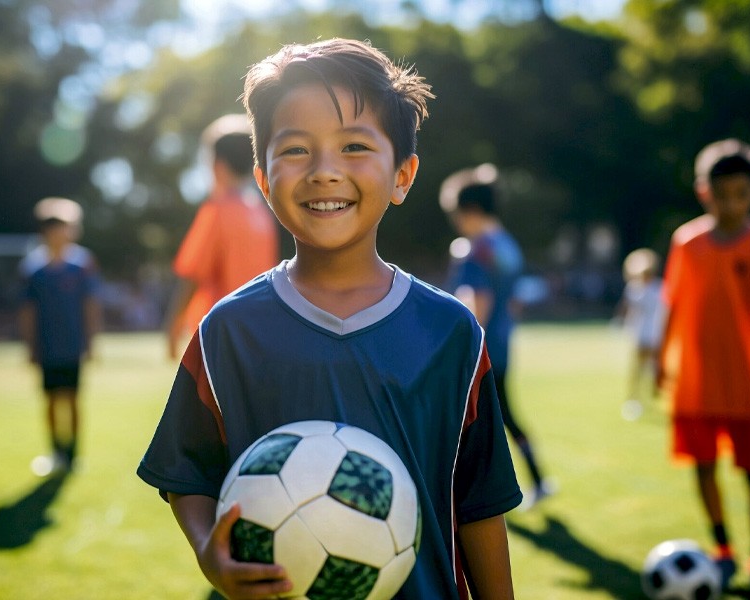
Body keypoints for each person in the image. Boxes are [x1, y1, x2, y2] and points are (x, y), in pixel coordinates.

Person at [138, 38, 521, 600]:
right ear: (264, 178)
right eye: (295, 150)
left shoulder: (451, 333)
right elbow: (188, 473)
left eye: (354, 146)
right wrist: (207, 550)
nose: (324, 171)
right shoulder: (227, 331)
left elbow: (481, 503)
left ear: (403, 176)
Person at [656, 139, 750, 600]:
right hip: (697, 383)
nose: (730, 203)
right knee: (703, 469)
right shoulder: (687, 242)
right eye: (721, 194)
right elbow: (674, 306)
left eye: (740, 193)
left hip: (749, 382)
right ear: (705, 193)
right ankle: (723, 552)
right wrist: (664, 361)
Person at [440, 163, 552, 509]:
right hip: (502, 346)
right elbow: (515, 302)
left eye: (456, 216)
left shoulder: (475, 248)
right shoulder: (508, 247)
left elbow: (477, 306)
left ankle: (467, 498)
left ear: (470, 211)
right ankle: (538, 480)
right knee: (504, 416)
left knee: (466, 425)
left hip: (478, 353)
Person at [164, 114, 280, 359]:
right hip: (258, 333)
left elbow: (191, 276)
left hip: (219, 335)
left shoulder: (217, 210)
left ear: (216, 164)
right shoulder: (262, 212)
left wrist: (172, 330)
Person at [19, 197, 101, 475]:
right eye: (53, 228)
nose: (59, 233)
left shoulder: (82, 266)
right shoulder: (34, 270)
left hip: (72, 346)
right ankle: (55, 452)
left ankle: (73, 454)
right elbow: (28, 311)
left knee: (74, 398)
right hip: (47, 347)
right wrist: (30, 346)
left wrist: (91, 342)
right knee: (51, 400)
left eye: (64, 227)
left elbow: (90, 306)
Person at [614, 247, 666, 420]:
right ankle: (634, 400)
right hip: (639, 334)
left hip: (654, 335)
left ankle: (652, 399)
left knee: (653, 372)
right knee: (636, 371)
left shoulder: (659, 288)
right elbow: (626, 309)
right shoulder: (634, 288)